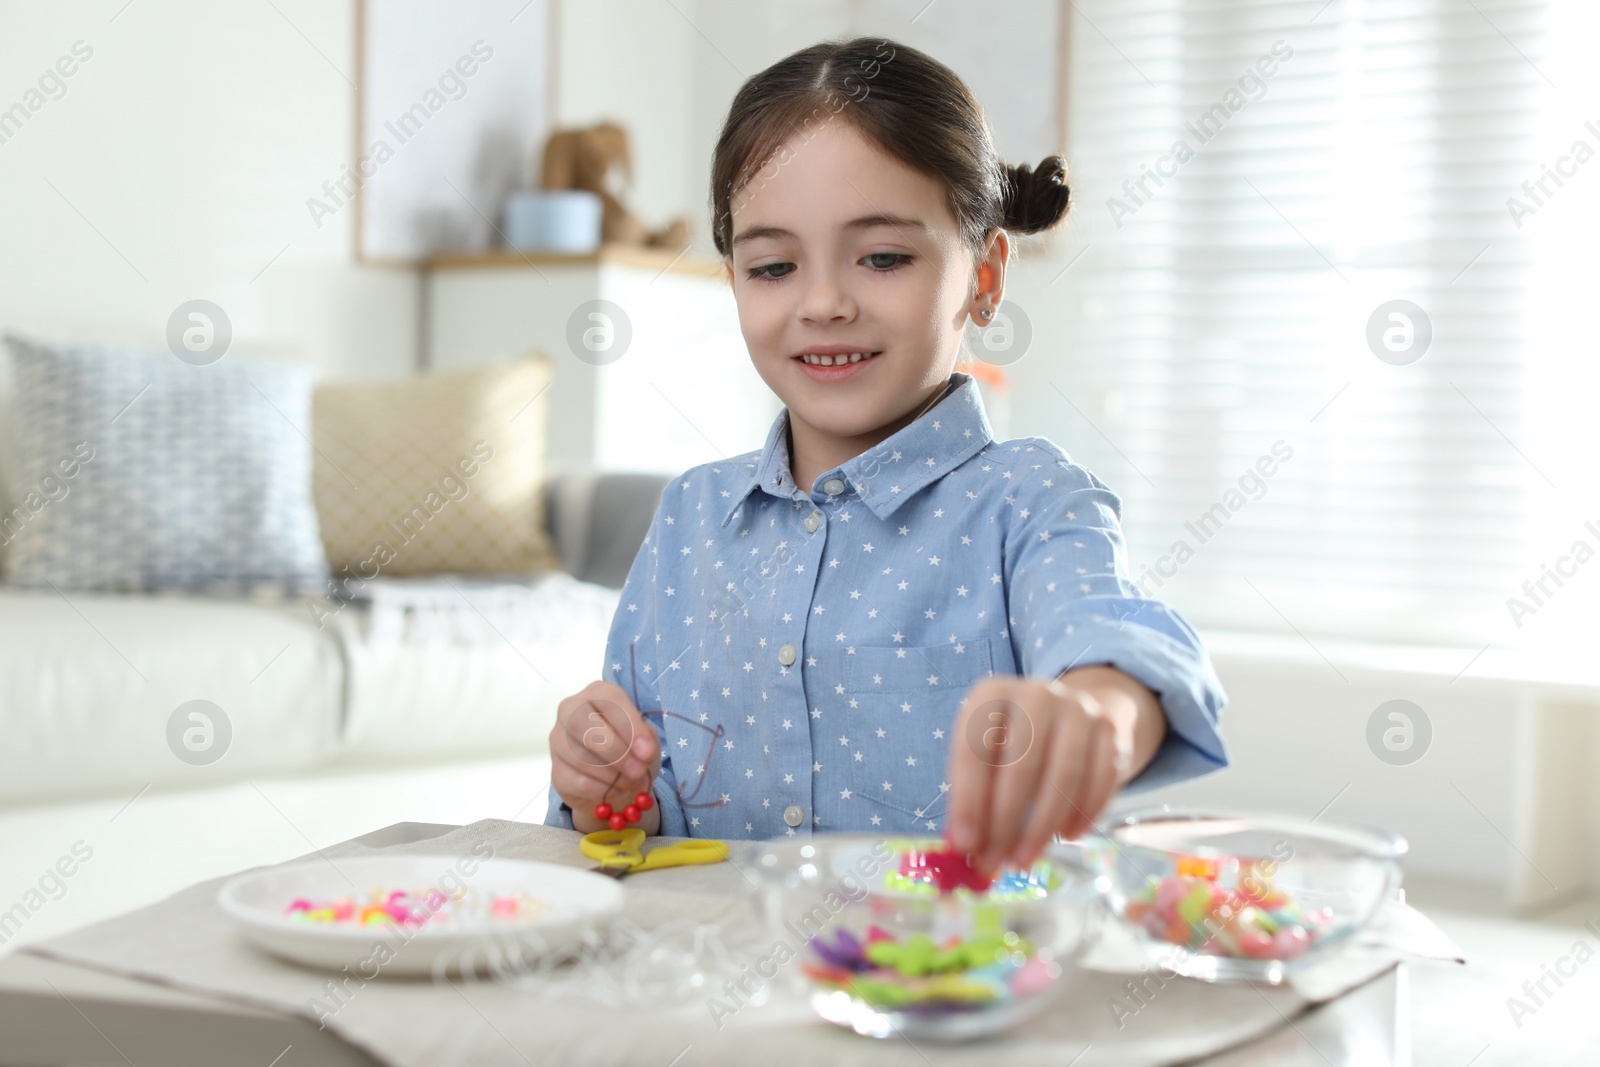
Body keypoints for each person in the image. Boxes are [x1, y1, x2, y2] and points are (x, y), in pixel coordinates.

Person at [545, 36, 1228, 875]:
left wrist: (1100, 710)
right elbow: (626, 821)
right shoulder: (689, 515)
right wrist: (600, 782)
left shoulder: (1031, 503)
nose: (824, 302)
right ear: (734, 283)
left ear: (983, 276)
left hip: (952, 991)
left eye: (883, 257)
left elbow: (1119, 643)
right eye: (773, 266)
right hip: (711, 986)